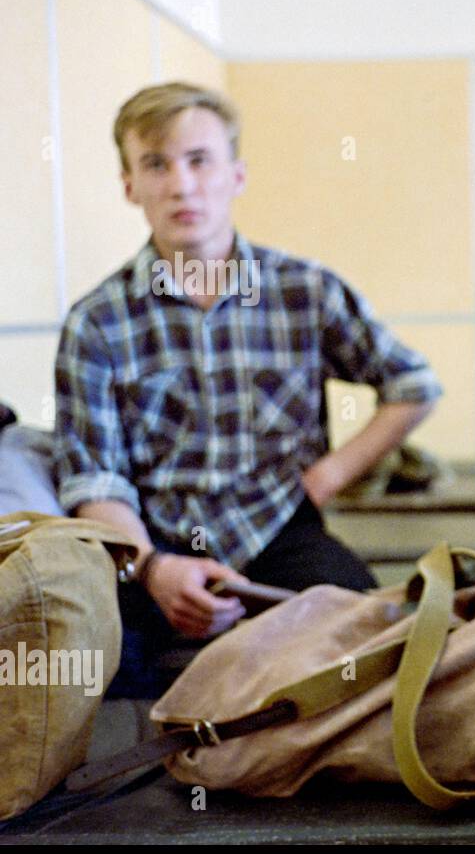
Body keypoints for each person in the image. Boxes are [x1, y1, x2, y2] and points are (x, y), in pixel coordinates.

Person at [54, 82, 441, 697]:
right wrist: (153, 568)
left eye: (200, 160)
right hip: (154, 543)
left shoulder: (304, 289)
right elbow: (94, 478)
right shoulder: (96, 322)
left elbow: (413, 384)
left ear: (236, 174)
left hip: (279, 527)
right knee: (88, 666)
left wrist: (326, 478)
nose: (182, 185)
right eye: (156, 164)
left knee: (371, 645)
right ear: (129, 184)